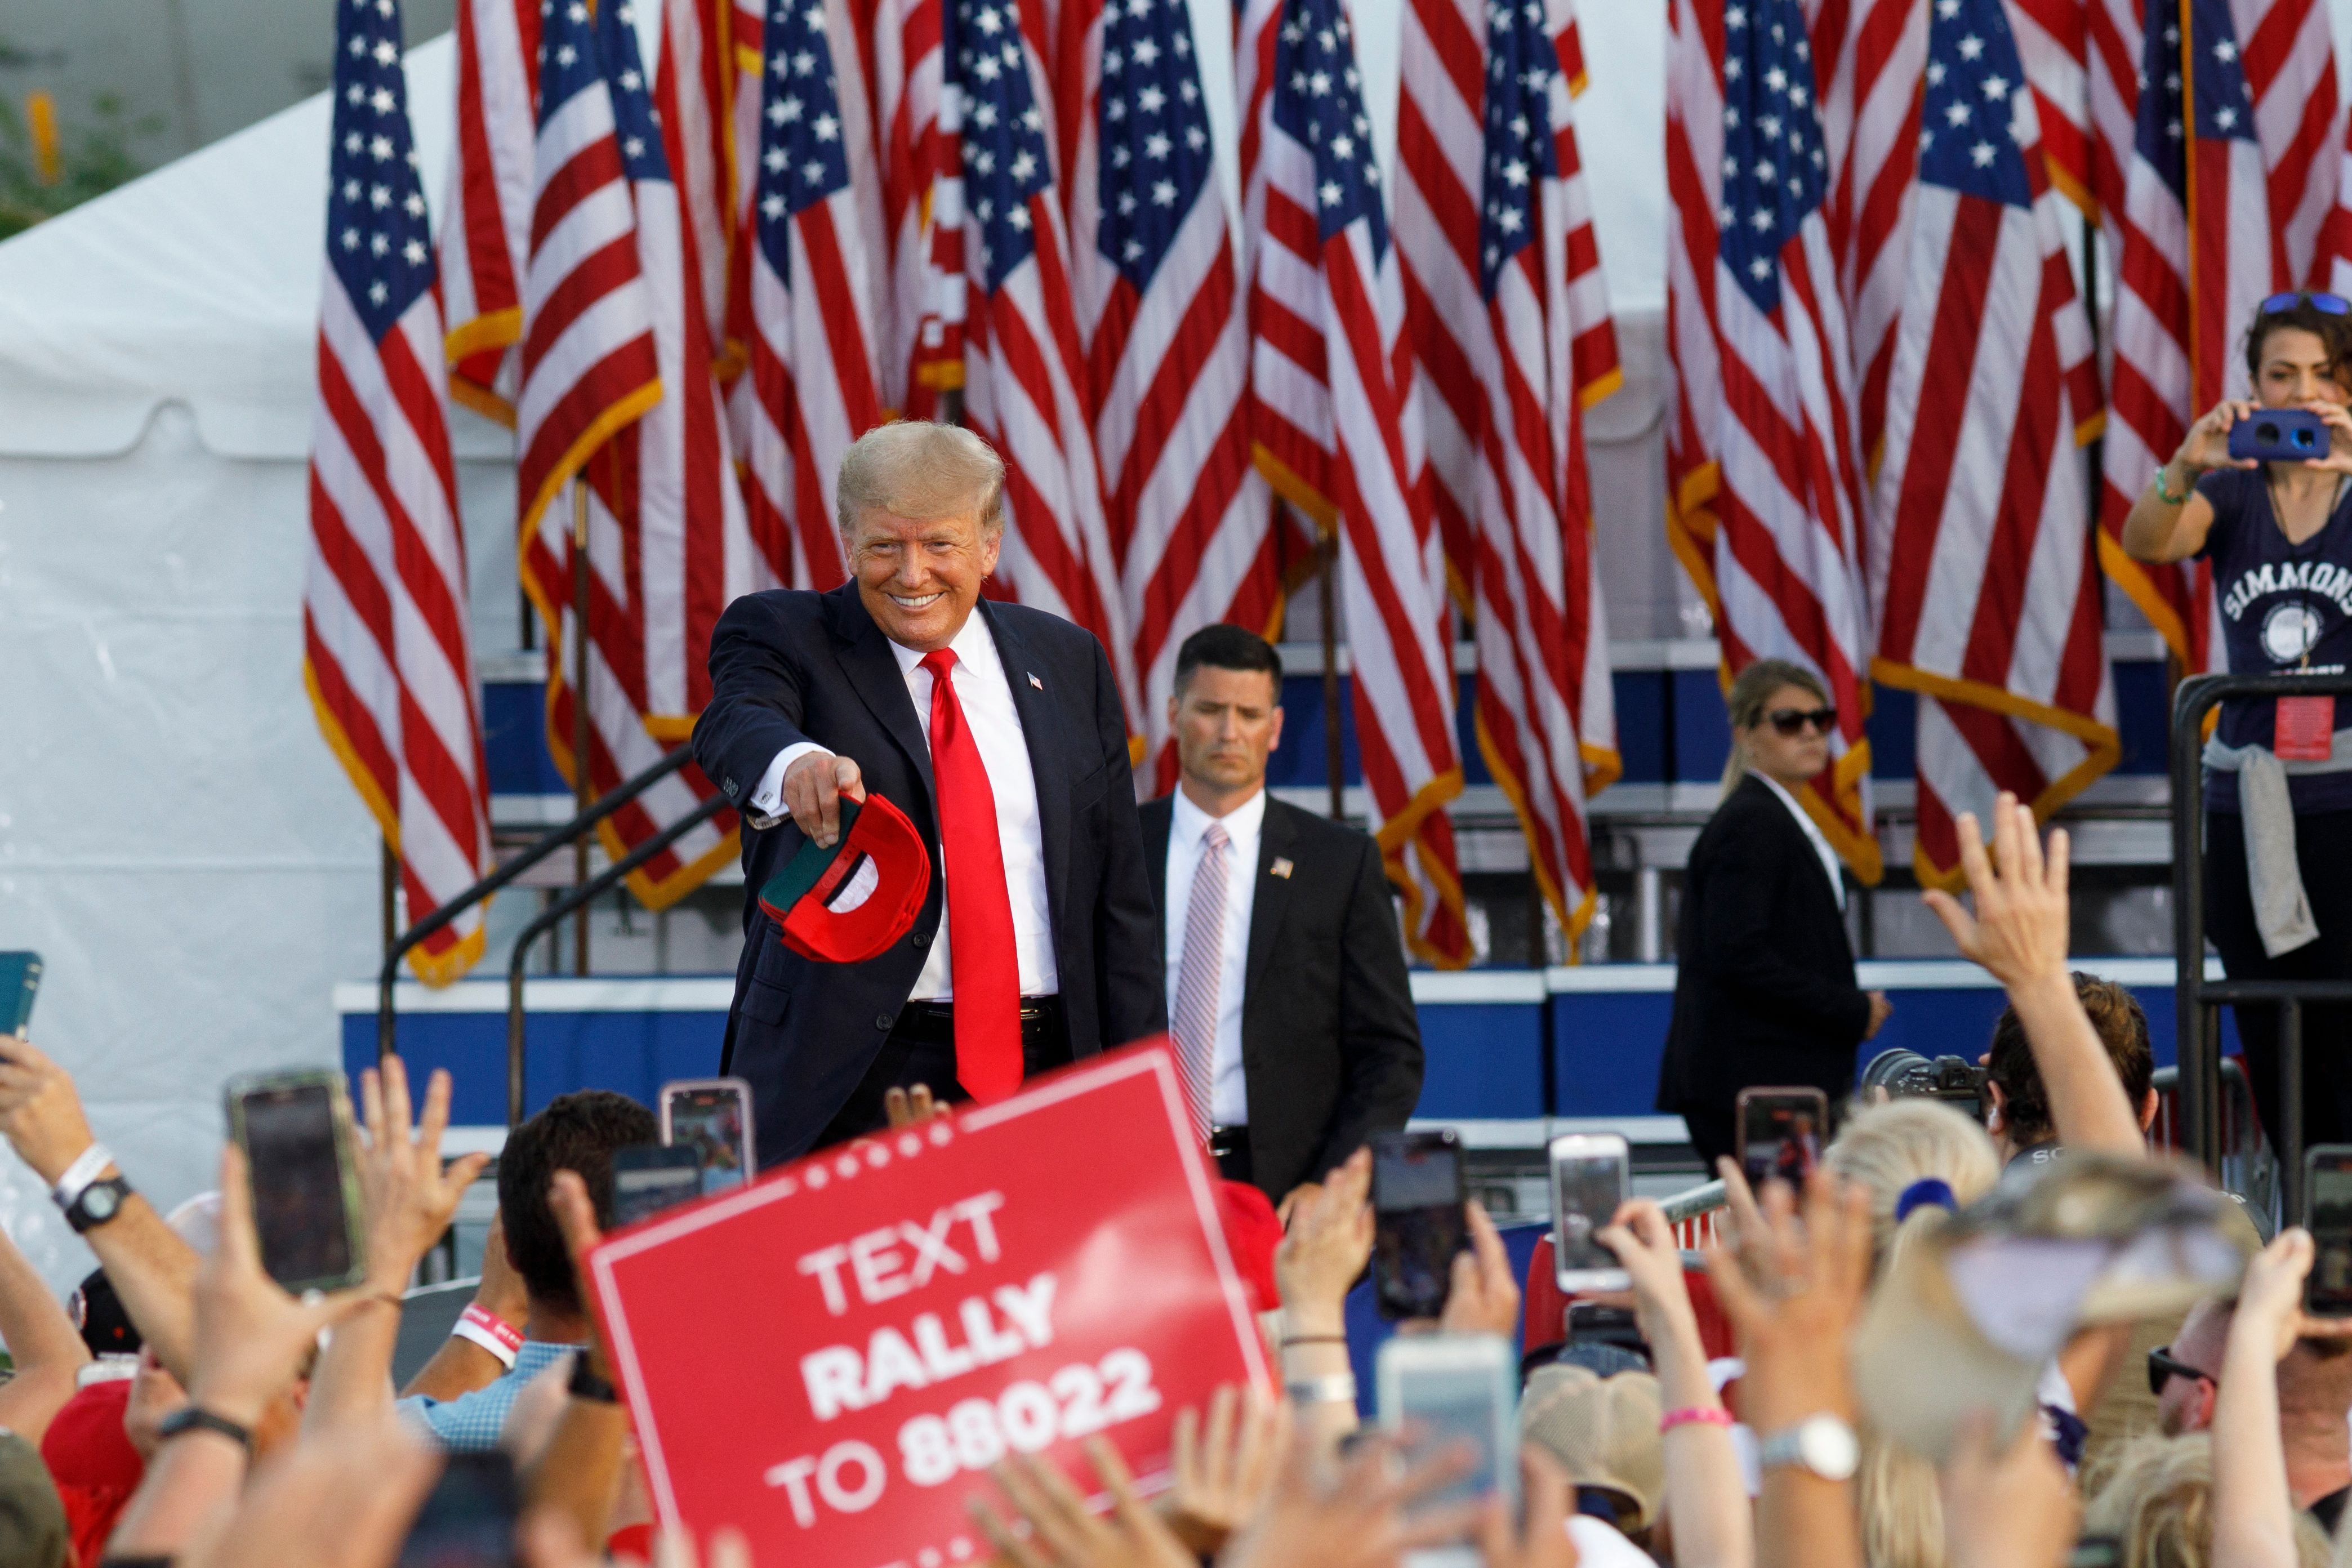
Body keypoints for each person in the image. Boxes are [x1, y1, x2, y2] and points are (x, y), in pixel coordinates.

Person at [692, 421, 1164, 1165]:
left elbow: (1119, 906)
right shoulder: (785, 633)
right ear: (848, 542)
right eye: (885, 546)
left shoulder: (1069, 661)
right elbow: (737, 718)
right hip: (851, 1080)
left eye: (940, 545)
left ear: (989, 543)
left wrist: (1144, 1100)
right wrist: (794, 765)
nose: (913, 575)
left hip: (1046, 1069)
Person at [2122, 291, 2352, 1155]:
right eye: (2281, 374)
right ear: (2252, 387)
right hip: (2249, 801)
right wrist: (2185, 460)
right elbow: (2148, 539)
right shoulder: (2233, 494)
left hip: (2344, 798)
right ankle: (2307, 1248)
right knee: (2276, 1042)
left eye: (2323, 376)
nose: (2301, 393)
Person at [1136, 624, 1423, 1205]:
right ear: (1173, 713)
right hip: (1140, 1178)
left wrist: (1330, 1181)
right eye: (1210, 709)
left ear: (1276, 728)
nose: (1228, 731)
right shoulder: (1118, 849)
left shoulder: (1338, 863)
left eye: (1248, 713)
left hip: (1287, 1187)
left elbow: (1390, 1055)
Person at [1658, 658, 1892, 1169]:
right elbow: (1739, 956)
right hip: (1755, 1087)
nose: (1810, 733)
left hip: (1774, 1083)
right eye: (1789, 721)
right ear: (1746, 734)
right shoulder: (1753, 824)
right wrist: (1849, 1008)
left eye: (1821, 720)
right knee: (1774, 1230)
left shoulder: (1773, 817)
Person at [398, 1089, 657, 1450]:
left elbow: (356, 1463)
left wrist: (494, 1312)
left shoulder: (446, 1436)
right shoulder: (738, 1410)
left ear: (510, 1252)